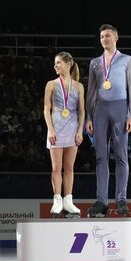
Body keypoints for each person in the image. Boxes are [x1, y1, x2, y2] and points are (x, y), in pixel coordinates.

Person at [86, 24, 131, 217]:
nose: (104, 39)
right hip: (100, 109)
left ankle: (121, 198)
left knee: (121, 155)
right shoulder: (95, 63)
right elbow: (91, 92)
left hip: (120, 108)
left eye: (107, 36)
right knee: (100, 156)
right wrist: (89, 116)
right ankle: (101, 200)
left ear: (116, 38)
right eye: (101, 36)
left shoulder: (127, 60)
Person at [43, 51, 85, 216]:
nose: (56, 66)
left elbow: (82, 111)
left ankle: (68, 200)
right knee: (56, 167)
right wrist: (51, 129)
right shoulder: (51, 84)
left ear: (68, 64)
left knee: (69, 167)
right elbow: (46, 109)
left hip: (72, 129)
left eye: (59, 62)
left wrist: (80, 130)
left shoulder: (78, 86)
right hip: (56, 129)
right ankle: (57, 200)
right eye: (55, 63)